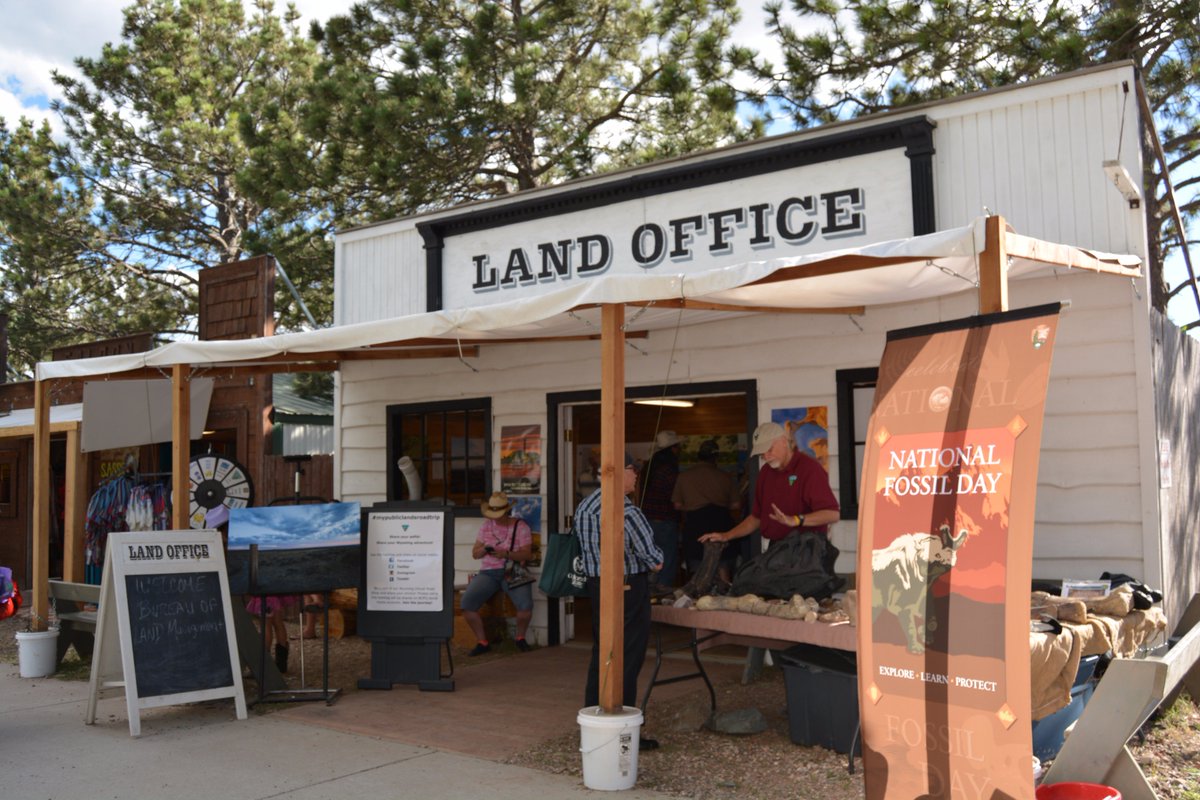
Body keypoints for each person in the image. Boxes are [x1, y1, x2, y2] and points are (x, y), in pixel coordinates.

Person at [575, 451, 663, 749]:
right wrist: (657, 559)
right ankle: (622, 729)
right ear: (618, 473)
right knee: (628, 656)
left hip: (597, 585)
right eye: (633, 469)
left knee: (603, 653)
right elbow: (654, 560)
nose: (637, 474)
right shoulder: (628, 512)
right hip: (628, 587)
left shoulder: (586, 505)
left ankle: (593, 719)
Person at [700, 421, 839, 550]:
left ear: (784, 441)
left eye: (770, 449)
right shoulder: (766, 472)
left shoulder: (809, 468)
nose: (766, 456)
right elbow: (756, 517)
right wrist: (727, 536)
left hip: (807, 550)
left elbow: (832, 515)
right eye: (762, 453)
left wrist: (796, 520)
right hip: (777, 549)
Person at [460, 491, 535, 655]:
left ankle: (520, 637)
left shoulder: (519, 526)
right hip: (488, 571)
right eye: (492, 513)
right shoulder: (486, 526)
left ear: (506, 510)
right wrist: (483, 550)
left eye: (498, 514)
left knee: (525, 606)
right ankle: (482, 641)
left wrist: (506, 554)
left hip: (512, 571)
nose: (494, 517)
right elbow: (474, 554)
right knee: (467, 605)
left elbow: (527, 554)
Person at [673, 439, 742, 583]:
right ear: (716, 457)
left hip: (695, 525)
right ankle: (724, 598)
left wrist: (693, 506)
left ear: (699, 456)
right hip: (721, 522)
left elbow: (677, 505)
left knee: (697, 568)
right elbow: (736, 505)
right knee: (723, 565)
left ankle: (697, 599)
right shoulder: (726, 477)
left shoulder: (684, 477)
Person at [640, 430, 681, 592]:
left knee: (651, 555)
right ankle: (662, 588)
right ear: (673, 449)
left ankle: (650, 588)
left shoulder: (649, 466)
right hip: (665, 518)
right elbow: (673, 495)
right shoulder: (669, 469)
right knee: (668, 555)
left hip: (648, 518)